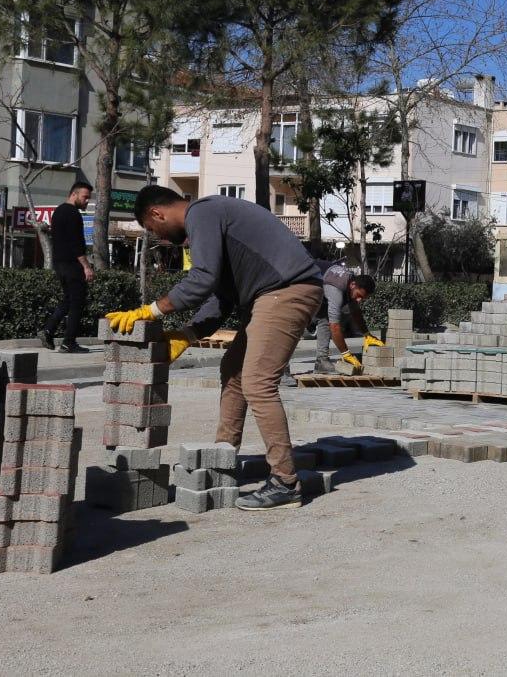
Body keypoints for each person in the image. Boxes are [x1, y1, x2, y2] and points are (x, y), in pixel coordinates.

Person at [106, 186, 322, 512]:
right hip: (272, 293)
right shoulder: (211, 219)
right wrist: (188, 334)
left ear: (157, 213)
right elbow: (220, 297)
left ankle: (285, 482)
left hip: (287, 290)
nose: (160, 238)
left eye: (153, 230)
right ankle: (222, 457)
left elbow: (201, 280)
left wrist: (150, 311)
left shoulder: (202, 212)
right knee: (233, 370)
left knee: (257, 382)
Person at [40, 181, 94, 353]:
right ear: (74, 194)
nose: (87, 201)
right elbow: (76, 244)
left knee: (68, 299)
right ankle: (68, 342)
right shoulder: (73, 214)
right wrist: (86, 266)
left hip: (59, 263)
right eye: (85, 197)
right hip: (72, 264)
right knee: (77, 302)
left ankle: (48, 330)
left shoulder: (58, 212)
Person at [311, 263, 380, 374]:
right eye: (359, 296)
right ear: (353, 285)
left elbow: (355, 311)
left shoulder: (352, 283)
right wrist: (346, 353)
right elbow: (334, 327)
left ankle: (321, 362)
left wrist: (367, 334)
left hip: (320, 285)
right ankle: (283, 368)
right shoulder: (336, 290)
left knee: (325, 319)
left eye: (362, 298)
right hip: (301, 283)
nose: (359, 300)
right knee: (293, 323)